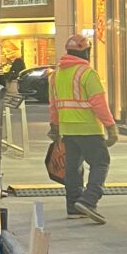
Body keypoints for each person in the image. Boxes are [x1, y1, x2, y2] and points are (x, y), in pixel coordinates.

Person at [48, 34, 118, 224]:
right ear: (87, 52)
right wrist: (111, 127)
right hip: (89, 129)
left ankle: (73, 207)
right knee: (100, 163)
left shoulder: (56, 75)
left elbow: (53, 105)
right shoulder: (87, 73)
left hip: (68, 130)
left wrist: (54, 127)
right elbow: (99, 104)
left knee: (73, 168)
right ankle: (89, 200)